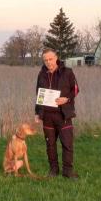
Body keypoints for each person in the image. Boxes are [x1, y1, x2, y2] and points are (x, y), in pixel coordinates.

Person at [34, 48, 80, 180]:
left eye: (50, 59)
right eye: (45, 60)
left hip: (63, 114)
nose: (48, 62)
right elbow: (38, 94)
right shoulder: (41, 74)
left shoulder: (68, 72)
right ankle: (53, 170)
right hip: (47, 116)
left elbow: (76, 89)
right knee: (50, 145)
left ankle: (68, 171)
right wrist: (37, 112)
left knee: (67, 144)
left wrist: (67, 99)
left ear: (56, 58)